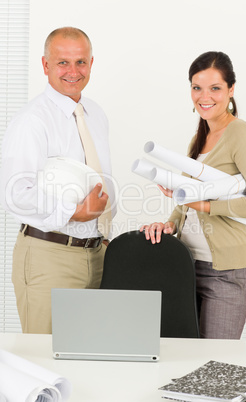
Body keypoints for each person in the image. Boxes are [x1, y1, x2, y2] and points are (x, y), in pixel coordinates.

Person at [140, 51, 246, 339]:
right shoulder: (200, 138)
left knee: (213, 367)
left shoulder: (241, 135)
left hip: (225, 274)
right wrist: (170, 224)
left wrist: (206, 205)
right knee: (183, 361)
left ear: (231, 90)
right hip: (185, 266)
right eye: (197, 87)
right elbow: (186, 204)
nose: (204, 96)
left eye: (215, 88)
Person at [0, 27, 116, 334]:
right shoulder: (32, 120)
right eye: (63, 62)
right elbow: (14, 192)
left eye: (80, 62)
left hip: (97, 254)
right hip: (48, 257)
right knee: (45, 361)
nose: (73, 71)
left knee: (91, 356)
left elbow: (98, 179)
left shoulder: (96, 115)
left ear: (91, 63)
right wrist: (73, 213)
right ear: (45, 65)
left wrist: (102, 235)